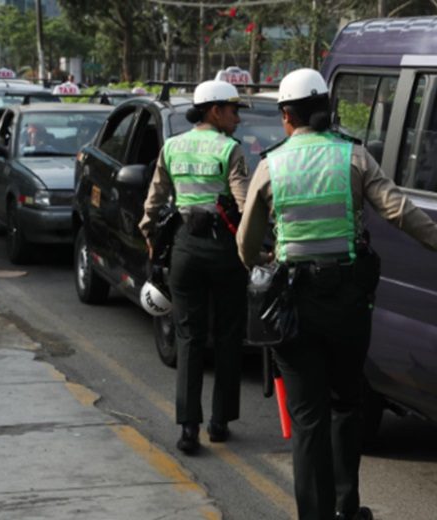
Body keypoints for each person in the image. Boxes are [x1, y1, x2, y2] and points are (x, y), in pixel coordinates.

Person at [235, 68, 437, 520]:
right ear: (327, 111)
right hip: (348, 303)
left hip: (295, 305)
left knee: (307, 417)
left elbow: (247, 245)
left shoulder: (272, 165)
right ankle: (347, 510)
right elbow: (400, 212)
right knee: (346, 407)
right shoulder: (354, 157)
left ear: (287, 115)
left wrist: (267, 260)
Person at [139, 80, 250, 454]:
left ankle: (189, 428)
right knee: (229, 334)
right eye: (233, 110)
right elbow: (244, 205)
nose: (237, 118)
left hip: (184, 248)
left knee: (189, 337)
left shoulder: (172, 147)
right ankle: (220, 423)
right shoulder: (229, 149)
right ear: (214, 111)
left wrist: (150, 237)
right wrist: (259, 248)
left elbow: (154, 201)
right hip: (223, 250)